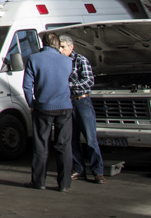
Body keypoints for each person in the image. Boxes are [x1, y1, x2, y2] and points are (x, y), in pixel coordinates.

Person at [22, 32, 73, 192]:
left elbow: (27, 86)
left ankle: (39, 182)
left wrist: (31, 103)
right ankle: (64, 185)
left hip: (42, 108)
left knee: (41, 145)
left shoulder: (33, 59)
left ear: (42, 44)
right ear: (57, 45)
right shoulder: (67, 60)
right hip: (64, 107)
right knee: (63, 146)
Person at [60, 34, 105, 184]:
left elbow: (88, 81)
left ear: (71, 47)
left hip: (82, 102)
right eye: (59, 47)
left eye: (63, 47)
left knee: (90, 138)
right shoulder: (60, 62)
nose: (60, 50)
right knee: (72, 139)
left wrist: (69, 86)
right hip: (68, 103)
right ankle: (79, 170)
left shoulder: (80, 60)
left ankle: (98, 172)